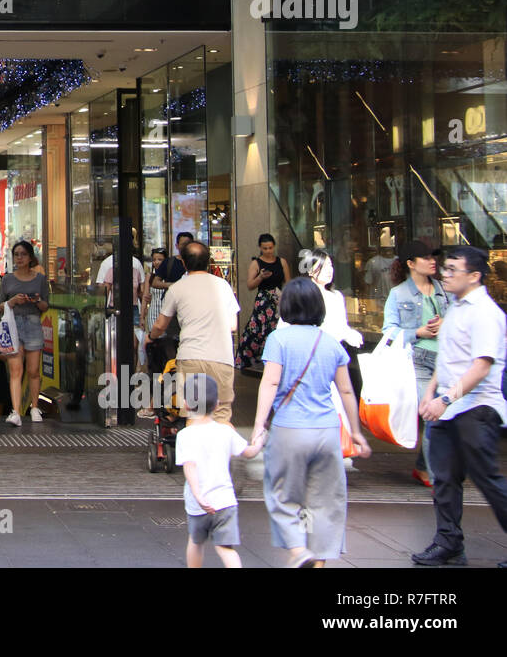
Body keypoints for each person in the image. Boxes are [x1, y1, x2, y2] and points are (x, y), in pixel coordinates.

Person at [251, 277, 370, 568]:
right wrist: (355, 432)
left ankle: (297, 550)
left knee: (281, 493)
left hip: (289, 429)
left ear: (286, 306)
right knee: (325, 500)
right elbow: (346, 391)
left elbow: (270, 384)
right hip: (326, 431)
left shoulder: (278, 339)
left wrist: (258, 427)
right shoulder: (331, 344)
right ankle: (319, 562)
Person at [411, 246, 507, 567]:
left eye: (453, 270)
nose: (445, 274)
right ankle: (448, 542)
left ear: (475, 276)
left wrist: (444, 398)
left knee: (488, 480)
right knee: (445, 479)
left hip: (477, 409)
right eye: (446, 268)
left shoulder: (485, 313)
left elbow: (481, 366)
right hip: (448, 407)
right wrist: (431, 392)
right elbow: (449, 356)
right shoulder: (455, 306)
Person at [177, 374, 265, 568]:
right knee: (226, 548)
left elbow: (189, 466)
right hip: (225, 502)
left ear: (185, 404)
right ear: (217, 405)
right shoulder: (226, 431)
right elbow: (249, 452)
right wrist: (258, 442)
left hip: (198, 504)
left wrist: (198, 495)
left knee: (195, 541)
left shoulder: (184, 435)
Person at [148, 241, 240, 424]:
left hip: (191, 357)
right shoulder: (223, 286)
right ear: (209, 261)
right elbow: (232, 326)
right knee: (221, 414)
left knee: (193, 413)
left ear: (183, 263)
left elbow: (160, 325)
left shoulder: (177, 288)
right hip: (221, 358)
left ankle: (191, 450)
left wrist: (150, 337)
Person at [383, 239, 448, 488]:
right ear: (411, 263)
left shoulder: (444, 289)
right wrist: (418, 331)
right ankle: (436, 476)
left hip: (446, 364)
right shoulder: (398, 294)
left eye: (434, 256)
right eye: (427, 257)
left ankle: (422, 466)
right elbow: (389, 333)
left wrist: (446, 323)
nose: (433, 261)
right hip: (418, 362)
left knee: (449, 414)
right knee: (435, 415)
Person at [0, 240, 50, 426]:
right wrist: (12, 302)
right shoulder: (7, 279)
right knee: (15, 370)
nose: (19, 258)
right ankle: (16, 411)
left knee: (34, 370)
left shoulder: (40, 279)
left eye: (23, 254)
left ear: (30, 257)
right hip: (13, 324)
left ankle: (34, 407)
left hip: (34, 322)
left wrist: (35, 300)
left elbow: (45, 305)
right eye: (16, 254)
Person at [236, 234, 293, 373]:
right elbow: (250, 285)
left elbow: (288, 282)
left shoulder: (282, 262)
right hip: (263, 301)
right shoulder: (256, 263)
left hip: (279, 299)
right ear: (260, 248)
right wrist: (260, 277)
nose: (268, 251)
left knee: (276, 329)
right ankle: (251, 359)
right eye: (265, 248)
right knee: (257, 330)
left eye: (270, 248)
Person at [294, 249, 363, 349]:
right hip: (311, 349)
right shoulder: (302, 295)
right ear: (310, 270)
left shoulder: (336, 296)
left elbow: (342, 326)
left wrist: (350, 334)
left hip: (333, 350)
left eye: (330, 265)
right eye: (323, 266)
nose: (329, 270)